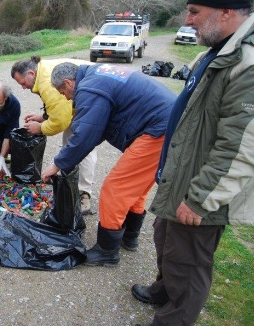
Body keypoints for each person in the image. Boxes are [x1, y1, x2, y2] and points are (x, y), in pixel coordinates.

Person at [131, 0, 254, 326]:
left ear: (227, 12)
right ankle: (163, 290)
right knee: (165, 238)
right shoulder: (213, 54)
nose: (186, 21)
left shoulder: (245, 65)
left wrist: (201, 198)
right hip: (181, 177)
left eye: (195, 12)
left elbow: (241, 146)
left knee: (189, 260)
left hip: (203, 187)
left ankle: (172, 321)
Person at [41, 62, 176, 267]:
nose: (66, 97)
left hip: (158, 129)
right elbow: (97, 129)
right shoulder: (97, 75)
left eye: (62, 91)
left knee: (115, 188)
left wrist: (57, 164)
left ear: (69, 82)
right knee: (136, 188)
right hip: (168, 123)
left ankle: (107, 250)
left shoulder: (89, 88)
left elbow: (86, 135)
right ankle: (129, 237)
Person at [11, 56, 98, 214]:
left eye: (22, 83)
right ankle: (69, 184)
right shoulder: (42, 71)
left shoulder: (46, 84)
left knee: (83, 145)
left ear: (31, 73)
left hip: (94, 98)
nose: (23, 88)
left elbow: (60, 122)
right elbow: (61, 106)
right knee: (70, 144)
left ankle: (83, 194)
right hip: (82, 100)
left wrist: (40, 128)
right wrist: (43, 118)